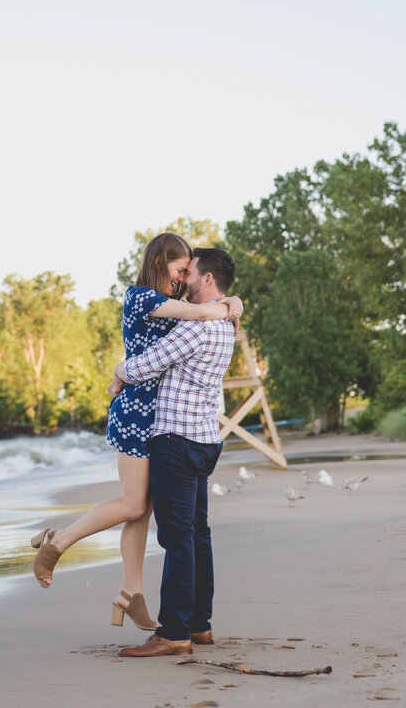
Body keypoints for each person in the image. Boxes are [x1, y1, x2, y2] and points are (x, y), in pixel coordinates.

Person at [30, 233, 242, 635]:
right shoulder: (141, 297)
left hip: (158, 415)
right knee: (133, 504)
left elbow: (196, 316)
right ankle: (57, 542)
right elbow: (200, 315)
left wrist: (231, 302)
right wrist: (227, 306)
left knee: (143, 506)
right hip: (136, 413)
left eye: (188, 273)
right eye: (180, 270)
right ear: (161, 262)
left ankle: (132, 593)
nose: (182, 280)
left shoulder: (177, 305)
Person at [110, 247, 238, 657]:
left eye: (190, 273)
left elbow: (146, 365)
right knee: (198, 535)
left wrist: (118, 373)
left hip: (176, 441)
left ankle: (174, 631)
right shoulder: (225, 324)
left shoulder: (196, 327)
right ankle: (199, 624)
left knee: (177, 538)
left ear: (207, 280)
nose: (183, 280)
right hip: (204, 439)